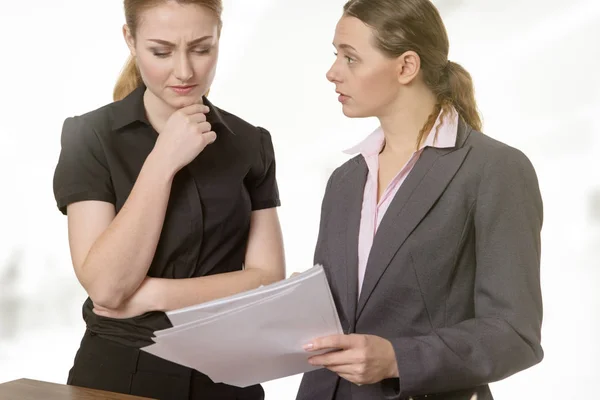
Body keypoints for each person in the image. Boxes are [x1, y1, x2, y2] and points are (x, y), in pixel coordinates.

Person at [296, 1, 543, 399]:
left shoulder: (494, 169)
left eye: (350, 58)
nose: (333, 72)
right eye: (335, 54)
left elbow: (514, 334)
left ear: (406, 66)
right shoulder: (346, 179)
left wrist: (397, 359)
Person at [52, 1, 285, 399]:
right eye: (161, 51)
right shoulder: (89, 136)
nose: (184, 71)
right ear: (131, 40)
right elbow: (107, 288)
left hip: (227, 377)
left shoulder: (251, 142)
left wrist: (153, 296)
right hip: (119, 376)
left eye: (201, 48)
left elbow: (267, 279)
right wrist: (162, 161)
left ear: (219, 39)